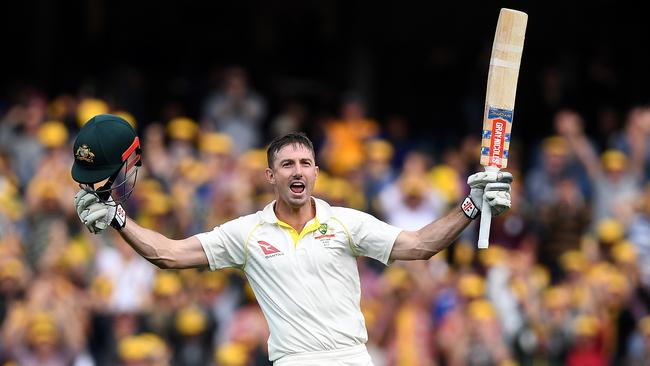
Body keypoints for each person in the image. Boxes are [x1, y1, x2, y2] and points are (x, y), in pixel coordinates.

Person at [72, 124, 512, 365]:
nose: (297, 171)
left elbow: (419, 245)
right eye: (286, 165)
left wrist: (471, 207)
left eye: (305, 163)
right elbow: (169, 254)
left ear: (316, 172)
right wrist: (118, 216)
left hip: (352, 358)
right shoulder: (246, 233)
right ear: (271, 176)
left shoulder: (345, 222)